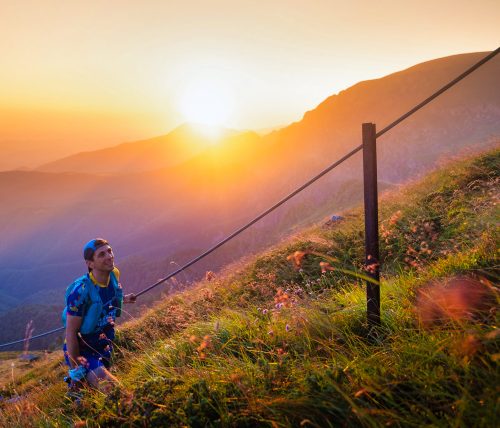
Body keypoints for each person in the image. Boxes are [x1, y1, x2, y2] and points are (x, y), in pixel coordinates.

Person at [63, 238, 136, 392]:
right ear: (90, 264)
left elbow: (106, 299)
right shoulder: (80, 291)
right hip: (84, 349)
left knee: (94, 392)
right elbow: (70, 332)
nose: (109, 256)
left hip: (105, 343)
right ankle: (76, 387)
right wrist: (77, 370)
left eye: (109, 251)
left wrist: (124, 299)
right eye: (101, 254)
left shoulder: (114, 275)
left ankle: (79, 391)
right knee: (115, 390)